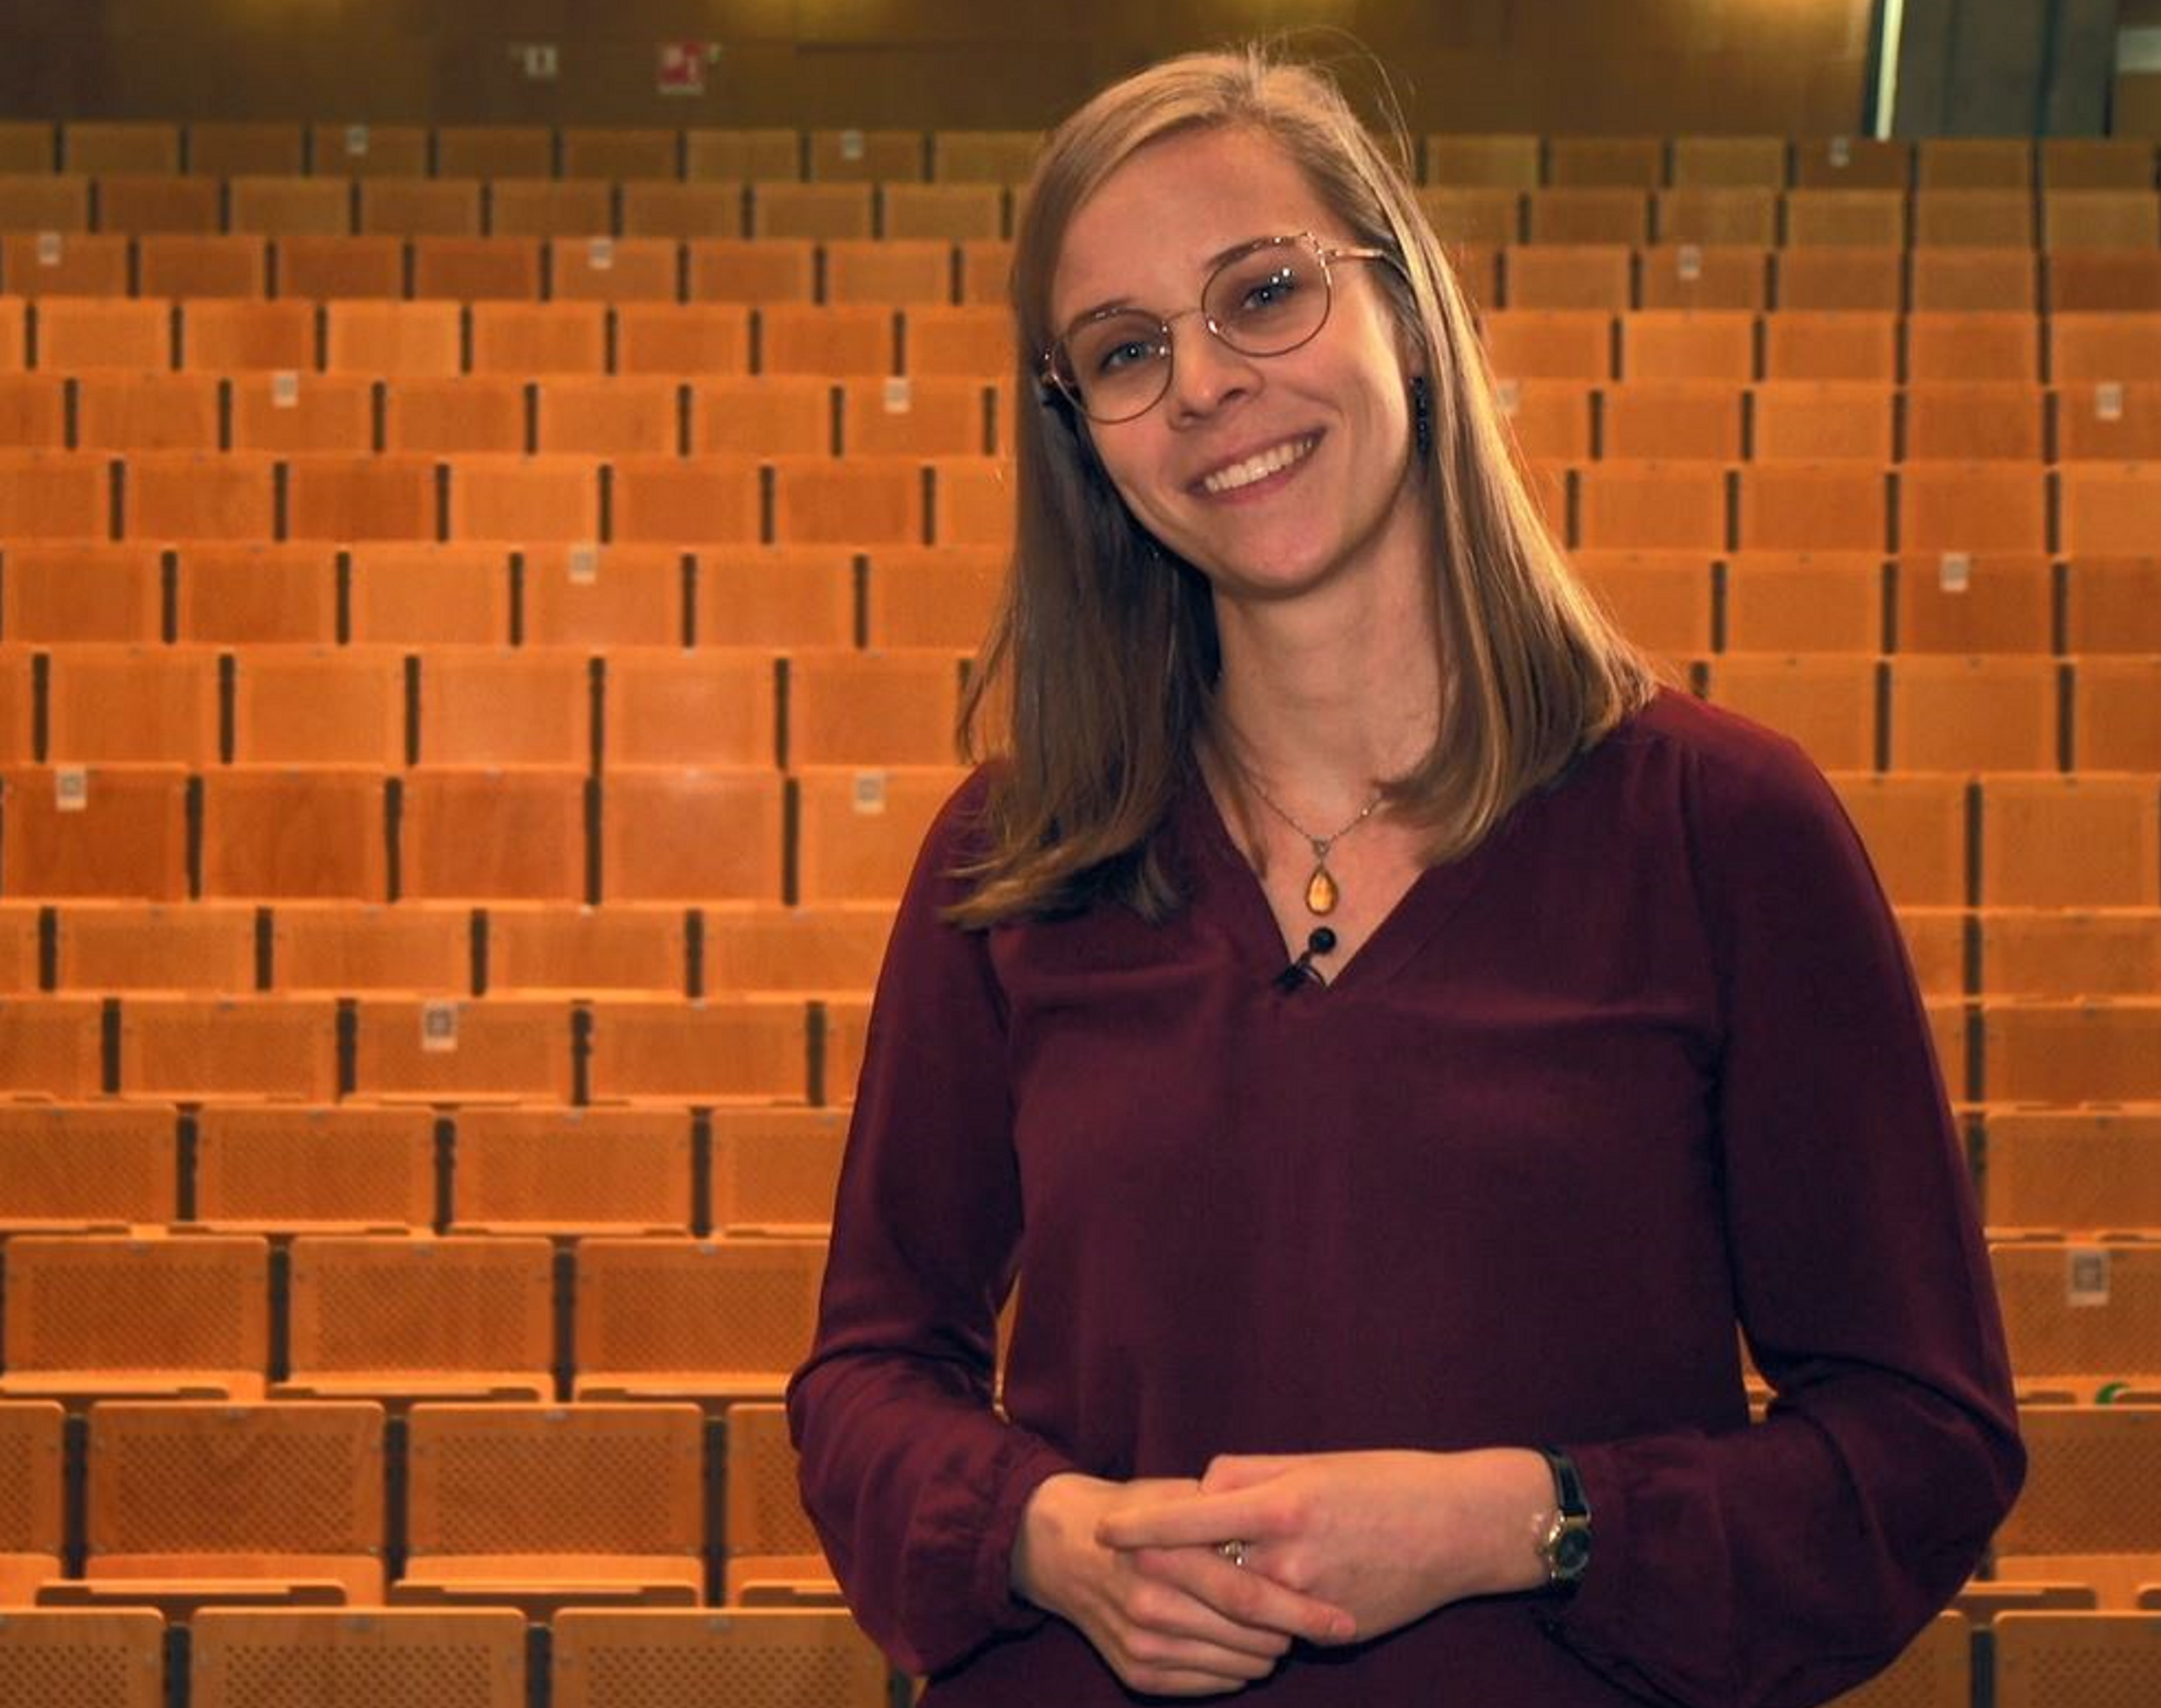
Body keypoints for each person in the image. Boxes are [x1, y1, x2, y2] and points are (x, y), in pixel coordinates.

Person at [788, 44, 2024, 1708]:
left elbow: (1921, 1441)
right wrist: (1038, 1533)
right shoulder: (1012, 860)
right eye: (1129, 352)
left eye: (1266, 293)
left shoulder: (1727, 827)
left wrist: (1527, 1518)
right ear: (1087, 440)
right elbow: (869, 1375)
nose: (1209, 384)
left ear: (1411, 316)